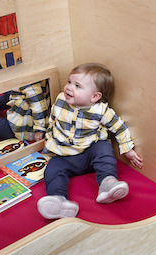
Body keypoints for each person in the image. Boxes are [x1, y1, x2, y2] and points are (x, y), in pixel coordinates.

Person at [36, 62, 143, 220]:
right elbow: (53, 120)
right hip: (63, 156)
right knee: (52, 170)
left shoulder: (101, 111)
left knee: (104, 148)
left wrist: (127, 149)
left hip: (88, 153)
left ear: (95, 97)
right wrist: (47, 136)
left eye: (77, 86)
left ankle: (107, 183)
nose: (69, 87)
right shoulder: (60, 100)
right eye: (69, 82)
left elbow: (119, 128)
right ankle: (59, 200)